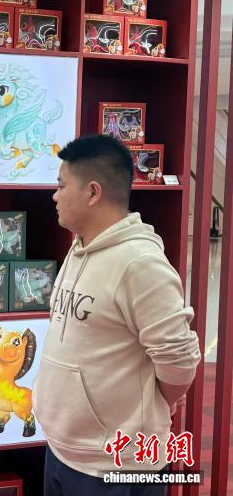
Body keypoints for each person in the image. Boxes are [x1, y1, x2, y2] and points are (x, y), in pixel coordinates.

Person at [33, 135, 201, 496]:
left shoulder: (140, 263)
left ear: (93, 192)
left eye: (61, 186)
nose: (55, 196)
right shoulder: (79, 248)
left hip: (115, 465)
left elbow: (179, 362)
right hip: (64, 452)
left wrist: (153, 405)